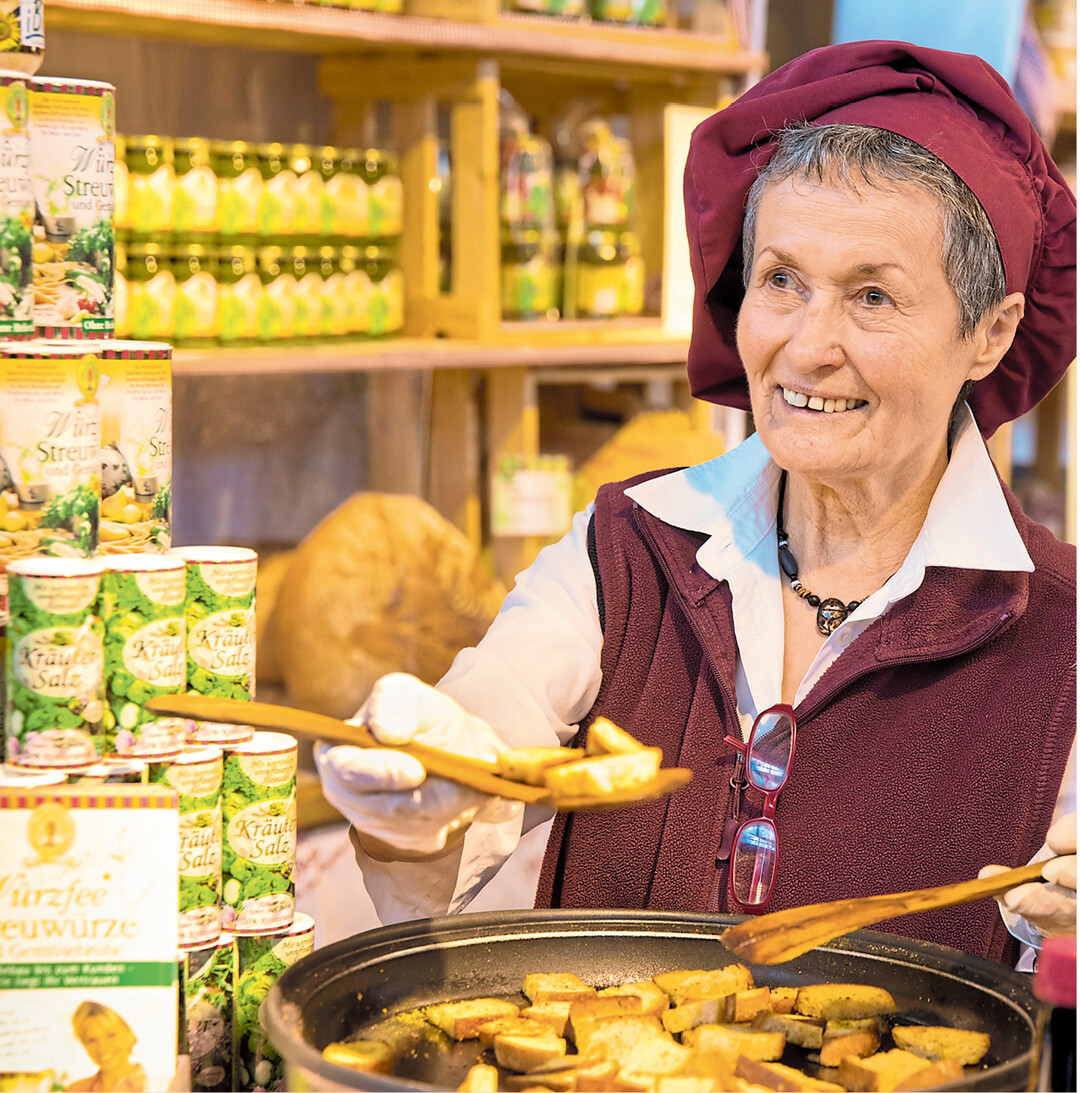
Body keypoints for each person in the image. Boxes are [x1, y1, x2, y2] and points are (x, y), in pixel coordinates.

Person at [317, 40, 1076, 967]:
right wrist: (416, 798)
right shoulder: (628, 551)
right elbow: (485, 738)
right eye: (781, 280)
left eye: (872, 296)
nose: (806, 347)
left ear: (991, 332)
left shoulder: (1060, 636)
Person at [66, 1001, 147, 1093]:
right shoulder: (76, 1090)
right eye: (92, 1040)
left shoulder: (154, 1086)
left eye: (111, 1035)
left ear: (130, 1034)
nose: (102, 1048)